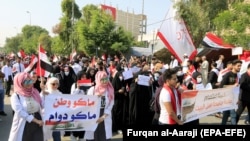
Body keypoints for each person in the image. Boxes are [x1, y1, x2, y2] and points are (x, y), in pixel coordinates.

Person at [8, 72, 44, 141]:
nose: (29, 83)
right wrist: (36, 121)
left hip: (38, 121)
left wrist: (44, 91)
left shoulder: (35, 92)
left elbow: (42, 104)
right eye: (26, 81)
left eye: (30, 80)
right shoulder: (16, 96)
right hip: (24, 123)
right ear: (19, 83)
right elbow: (20, 111)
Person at [84, 70, 114, 141]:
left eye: (106, 79)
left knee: (104, 136)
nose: (105, 81)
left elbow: (111, 104)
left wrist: (103, 116)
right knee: (93, 136)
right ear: (98, 79)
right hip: (93, 116)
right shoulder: (92, 90)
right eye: (103, 79)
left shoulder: (109, 90)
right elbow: (87, 103)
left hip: (105, 115)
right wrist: (95, 98)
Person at [220, 59, 242, 125]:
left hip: (234, 98)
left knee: (226, 115)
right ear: (233, 66)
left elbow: (238, 88)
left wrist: (238, 98)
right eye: (238, 66)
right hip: (227, 97)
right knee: (233, 115)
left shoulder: (238, 75)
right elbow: (221, 87)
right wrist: (232, 86)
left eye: (240, 66)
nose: (240, 67)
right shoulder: (227, 75)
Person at [41, 77, 63, 141]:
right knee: (45, 136)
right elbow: (41, 104)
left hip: (56, 119)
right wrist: (43, 94)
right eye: (53, 84)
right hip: (46, 118)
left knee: (57, 137)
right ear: (48, 84)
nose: (55, 86)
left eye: (57, 84)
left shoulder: (60, 94)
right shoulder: (44, 93)